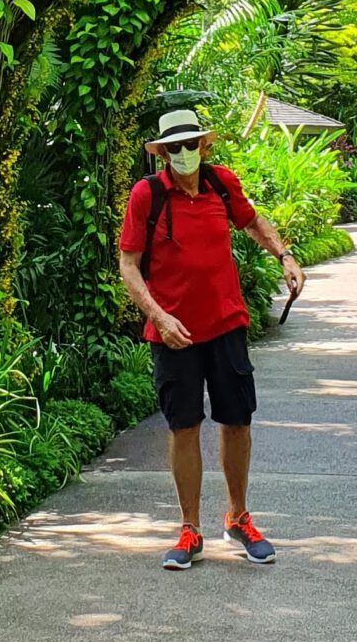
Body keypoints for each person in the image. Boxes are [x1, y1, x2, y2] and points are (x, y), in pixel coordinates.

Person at [116, 106, 305, 571]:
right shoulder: (148, 196)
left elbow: (254, 221)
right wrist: (159, 318)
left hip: (226, 324)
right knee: (184, 427)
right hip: (173, 335)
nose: (182, 154)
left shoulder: (222, 183)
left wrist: (285, 255)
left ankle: (238, 518)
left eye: (190, 144)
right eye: (172, 147)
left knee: (237, 420)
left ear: (204, 145)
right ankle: (189, 528)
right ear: (162, 152)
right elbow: (128, 265)